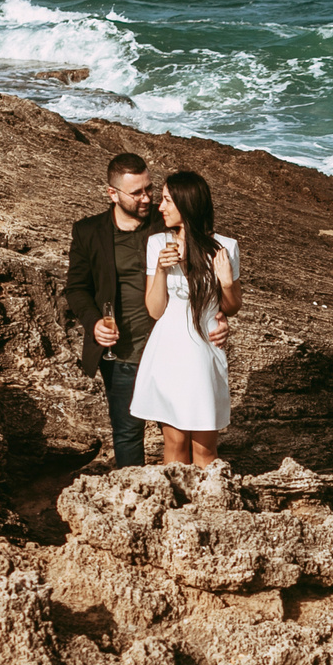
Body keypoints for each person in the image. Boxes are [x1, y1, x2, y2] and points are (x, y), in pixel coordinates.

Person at [61, 152, 168, 466]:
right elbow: (76, 288)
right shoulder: (88, 231)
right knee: (127, 434)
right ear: (113, 193)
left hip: (168, 347)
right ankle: (134, 493)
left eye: (149, 189)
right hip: (121, 354)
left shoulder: (166, 222)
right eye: (137, 193)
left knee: (177, 431)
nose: (146, 198)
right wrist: (94, 322)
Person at [129, 169, 240, 465]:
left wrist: (226, 282)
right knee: (175, 443)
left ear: (187, 204)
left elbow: (231, 307)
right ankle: (175, 495)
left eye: (167, 200)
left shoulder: (226, 247)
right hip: (168, 347)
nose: (160, 207)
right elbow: (155, 310)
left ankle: (210, 495)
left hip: (205, 348)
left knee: (205, 449)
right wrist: (161, 270)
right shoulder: (158, 243)